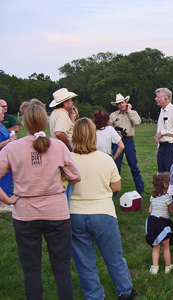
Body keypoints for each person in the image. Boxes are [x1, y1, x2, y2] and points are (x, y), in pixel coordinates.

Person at [0, 102, 81, 300]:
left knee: (31, 270)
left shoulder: (12, 148)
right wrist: (62, 183)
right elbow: (76, 176)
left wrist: (8, 200)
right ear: (45, 123)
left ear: (24, 123)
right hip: (57, 213)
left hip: (25, 215)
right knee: (61, 268)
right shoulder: (58, 146)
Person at [70, 118, 137, 300]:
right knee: (114, 256)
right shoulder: (105, 159)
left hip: (75, 213)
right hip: (103, 213)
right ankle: (125, 290)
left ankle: (94, 296)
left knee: (84, 262)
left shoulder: (67, 159)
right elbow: (116, 186)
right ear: (93, 135)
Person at [110, 93, 145, 195]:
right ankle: (115, 190)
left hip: (129, 141)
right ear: (117, 105)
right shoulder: (113, 115)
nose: (121, 105)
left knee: (134, 166)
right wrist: (115, 133)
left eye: (122, 103)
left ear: (126, 103)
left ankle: (141, 190)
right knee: (116, 166)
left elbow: (137, 122)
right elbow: (109, 128)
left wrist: (129, 110)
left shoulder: (132, 113)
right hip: (117, 141)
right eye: (119, 104)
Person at [146, 172, 173, 275]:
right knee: (166, 246)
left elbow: (150, 210)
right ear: (166, 185)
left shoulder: (153, 196)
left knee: (156, 246)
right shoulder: (168, 197)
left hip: (152, 223)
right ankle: (168, 267)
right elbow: (171, 211)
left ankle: (155, 268)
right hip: (163, 224)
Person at [153, 88, 173, 172]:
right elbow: (161, 128)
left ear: (165, 99)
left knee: (169, 174)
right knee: (161, 174)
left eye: (158, 97)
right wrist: (158, 147)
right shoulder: (162, 111)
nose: (156, 99)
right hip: (162, 147)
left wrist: (163, 133)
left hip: (170, 147)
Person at [0, 106, 17, 211]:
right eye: (0, 113)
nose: (2, 115)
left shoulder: (2, 125)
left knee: (7, 179)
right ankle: (2, 204)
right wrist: (8, 141)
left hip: (6, 156)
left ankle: (4, 202)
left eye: (2, 113)